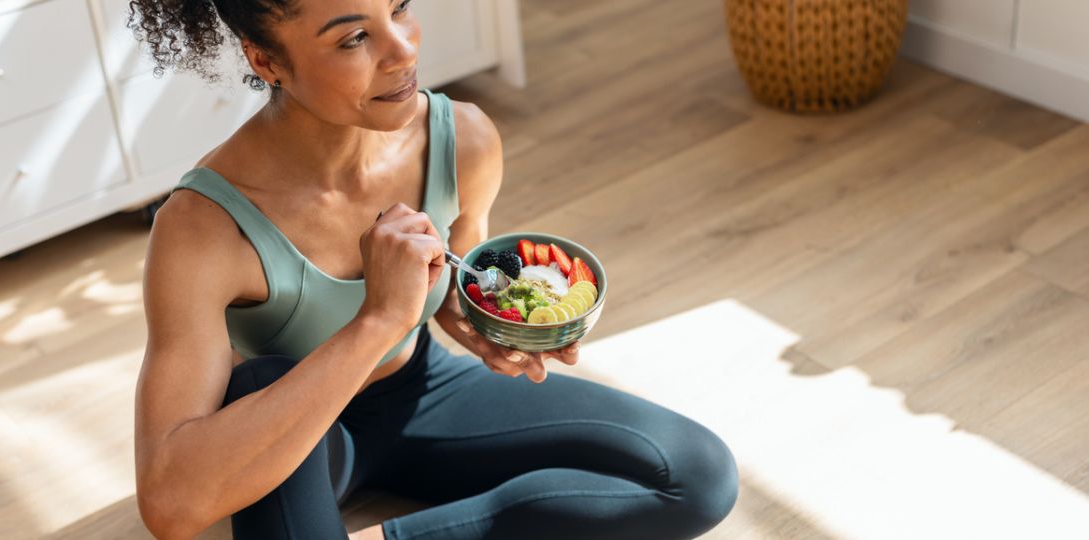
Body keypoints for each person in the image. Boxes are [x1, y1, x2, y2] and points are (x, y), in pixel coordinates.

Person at [129, 0, 738, 538]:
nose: (403, 49)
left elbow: (455, 278)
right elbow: (171, 505)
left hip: (423, 390)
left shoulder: (461, 137)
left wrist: (481, 324)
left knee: (698, 477)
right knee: (261, 378)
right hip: (292, 431)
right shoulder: (204, 227)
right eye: (353, 39)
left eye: (398, 7)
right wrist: (379, 319)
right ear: (267, 61)